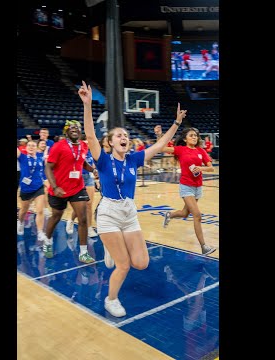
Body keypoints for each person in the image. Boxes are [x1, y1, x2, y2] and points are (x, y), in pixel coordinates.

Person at [78, 80, 187, 317]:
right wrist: (87, 105)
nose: (123, 136)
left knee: (141, 263)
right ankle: (111, 299)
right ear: (110, 142)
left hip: (129, 214)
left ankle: (111, 247)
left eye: (125, 134)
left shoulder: (134, 159)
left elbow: (160, 144)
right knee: (124, 264)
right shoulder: (104, 159)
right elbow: (89, 135)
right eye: (118, 135)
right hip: (108, 213)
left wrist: (176, 123)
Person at [43, 119, 96, 264]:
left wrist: (93, 170)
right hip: (58, 189)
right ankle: (47, 241)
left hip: (77, 187)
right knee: (56, 217)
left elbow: (82, 161)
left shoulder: (83, 146)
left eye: (77, 128)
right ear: (66, 131)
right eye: (71, 128)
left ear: (80, 132)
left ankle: (83, 253)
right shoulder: (58, 146)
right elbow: (48, 167)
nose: (75, 129)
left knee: (83, 218)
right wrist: (54, 187)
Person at [161, 127, 216, 256]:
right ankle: (204, 247)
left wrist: (200, 168)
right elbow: (162, 148)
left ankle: (170, 215)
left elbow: (211, 168)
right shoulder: (180, 150)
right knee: (197, 215)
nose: (194, 137)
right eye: (191, 135)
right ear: (185, 138)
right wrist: (159, 136)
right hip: (186, 186)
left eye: (196, 135)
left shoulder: (201, 151)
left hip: (198, 187)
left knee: (185, 213)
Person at [66, 134, 100, 238]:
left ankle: (89, 228)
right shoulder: (76, 151)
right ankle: (71, 220)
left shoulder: (91, 153)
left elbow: (94, 167)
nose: (88, 144)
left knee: (89, 204)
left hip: (88, 178)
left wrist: (97, 180)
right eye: (85, 142)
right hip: (77, 179)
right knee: (81, 206)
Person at [16, 140, 48, 245]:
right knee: (23, 210)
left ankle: (40, 232)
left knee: (40, 210)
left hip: (38, 187)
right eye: (29, 145)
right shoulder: (22, 157)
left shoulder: (40, 157)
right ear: (26, 147)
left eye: (33, 145)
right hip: (26, 188)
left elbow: (43, 171)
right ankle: (20, 222)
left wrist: (47, 182)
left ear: (36, 147)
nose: (31, 147)